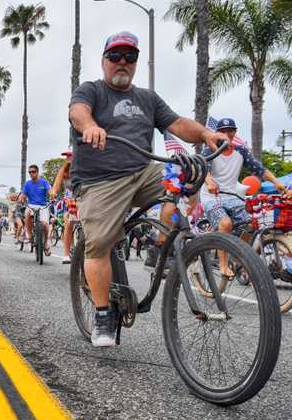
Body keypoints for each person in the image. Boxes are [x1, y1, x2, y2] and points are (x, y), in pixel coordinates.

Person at [69, 30, 229, 347]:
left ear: (136, 62)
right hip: (100, 180)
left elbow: (179, 124)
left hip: (143, 172)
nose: (122, 62)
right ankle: (102, 315)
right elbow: (78, 112)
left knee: (186, 172)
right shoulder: (92, 90)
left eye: (130, 57)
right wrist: (90, 126)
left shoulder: (147, 98)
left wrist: (206, 135)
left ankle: (164, 242)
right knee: (99, 243)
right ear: (104, 61)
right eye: (115, 56)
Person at [200, 117, 289, 277]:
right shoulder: (210, 150)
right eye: (223, 131)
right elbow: (204, 169)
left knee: (253, 223)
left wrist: (277, 182)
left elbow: (259, 170)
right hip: (212, 196)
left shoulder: (241, 151)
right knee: (225, 223)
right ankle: (223, 264)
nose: (227, 133)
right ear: (217, 133)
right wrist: (209, 181)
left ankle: (238, 255)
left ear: (235, 132)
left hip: (233, 196)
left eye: (231, 130)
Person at [50, 149, 78, 264]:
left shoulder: (83, 168)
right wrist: (53, 192)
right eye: (66, 157)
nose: (68, 158)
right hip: (69, 200)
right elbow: (56, 184)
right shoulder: (63, 170)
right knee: (68, 221)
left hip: (83, 197)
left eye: (70, 156)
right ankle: (66, 254)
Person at [18, 164, 52, 256]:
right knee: (27, 212)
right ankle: (29, 235)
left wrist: (52, 195)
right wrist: (21, 198)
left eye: (33, 172)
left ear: (37, 172)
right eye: (29, 172)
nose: (31, 173)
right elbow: (23, 195)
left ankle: (47, 241)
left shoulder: (44, 182)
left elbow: (50, 191)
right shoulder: (27, 184)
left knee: (45, 224)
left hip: (43, 206)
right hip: (31, 205)